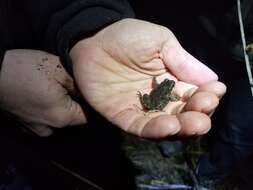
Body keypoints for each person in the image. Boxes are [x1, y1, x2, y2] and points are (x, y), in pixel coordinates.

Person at [0, 0, 226, 189]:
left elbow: (161, 96)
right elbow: (166, 96)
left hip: (88, 88)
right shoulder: (164, 91)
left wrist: (91, 22)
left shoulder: (161, 91)